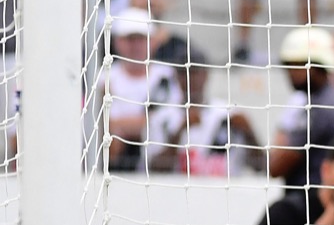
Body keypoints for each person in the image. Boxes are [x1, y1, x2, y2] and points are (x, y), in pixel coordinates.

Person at [146, 54, 266, 176]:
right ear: (176, 77)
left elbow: (261, 166)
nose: (189, 78)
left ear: (206, 75)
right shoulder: (161, 117)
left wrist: (249, 134)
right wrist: (180, 132)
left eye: (195, 72)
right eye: (184, 73)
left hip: (225, 191)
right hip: (178, 192)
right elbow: (153, 168)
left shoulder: (229, 113)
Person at [268, 26, 334, 190]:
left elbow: (276, 168)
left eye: (297, 64)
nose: (290, 72)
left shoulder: (322, 108)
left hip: (311, 202)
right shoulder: (323, 101)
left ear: (318, 66)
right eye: (288, 65)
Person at [100, 10, 181, 173]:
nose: (135, 46)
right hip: (113, 165)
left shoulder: (166, 75)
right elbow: (102, 125)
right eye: (130, 39)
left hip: (157, 167)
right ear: (117, 42)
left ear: (153, 42)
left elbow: (169, 122)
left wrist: (122, 125)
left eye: (141, 39)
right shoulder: (104, 77)